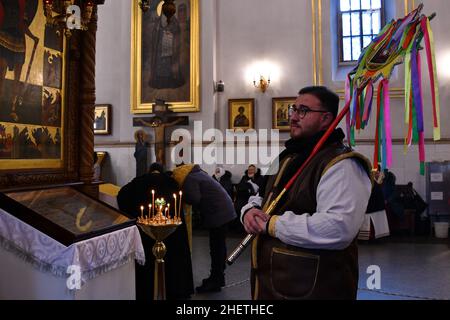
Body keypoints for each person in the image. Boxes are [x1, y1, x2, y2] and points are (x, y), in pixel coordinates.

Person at [241, 86, 372, 300]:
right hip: (273, 284)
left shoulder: (341, 164)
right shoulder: (287, 156)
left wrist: (271, 224)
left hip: (314, 287)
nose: (293, 116)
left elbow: (338, 227)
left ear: (326, 119)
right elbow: (263, 197)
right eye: (294, 109)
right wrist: (250, 211)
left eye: (303, 110)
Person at [117, 162, 194, 300]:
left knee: (148, 261)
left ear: (149, 171)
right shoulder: (172, 183)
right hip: (171, 230)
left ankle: (149, 289)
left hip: (146, 230)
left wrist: (133, 213)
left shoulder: (138, 181)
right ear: (162, 171)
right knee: (173, 258)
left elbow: (121, 196)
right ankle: (175, 290)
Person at [172, 164, 236, 293]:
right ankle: (218, 277)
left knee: (216, 247)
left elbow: (195, 199)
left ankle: (215, 281)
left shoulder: (189, 179)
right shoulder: (197, 174)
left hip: (218, 213)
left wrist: (180, 196)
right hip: (224, 210)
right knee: (219, 246)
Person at [0, 0, 39, 122]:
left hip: (18, 41)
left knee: (16, 79)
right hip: (5, 36)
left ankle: (13, 107)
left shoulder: (25, 4)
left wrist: (33, 37)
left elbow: (22, 24)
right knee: (1, 74)